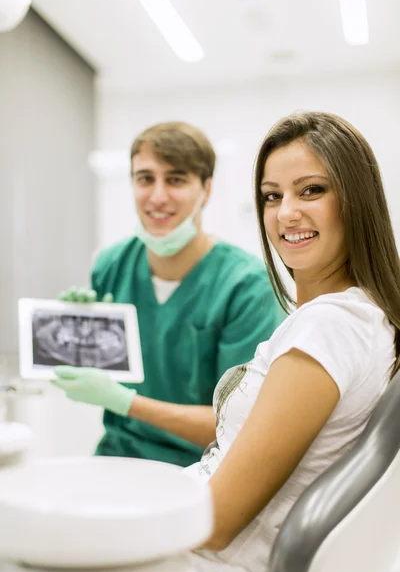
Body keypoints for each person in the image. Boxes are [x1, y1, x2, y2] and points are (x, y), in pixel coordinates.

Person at [54, 111, 400, 572]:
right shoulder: (360, 315)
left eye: (312, 190)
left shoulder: (324, 328)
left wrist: (104, 521)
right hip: (177, 506)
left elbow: (217, 521)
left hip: (209, 562)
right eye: (272, 196)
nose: (285, 213)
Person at [55, 121, 283, 467]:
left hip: (202, 468)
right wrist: (73, 332)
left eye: (175, 179)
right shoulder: (111, 265)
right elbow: (99, 373)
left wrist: (126, 403)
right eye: (145, 178)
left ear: (206, 190)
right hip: (117, 457)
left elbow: (240, 426)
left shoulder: (246, 286)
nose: (157, 196)